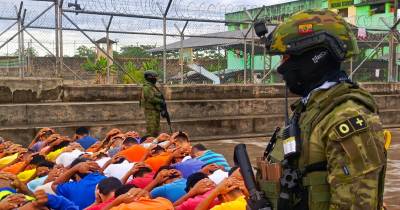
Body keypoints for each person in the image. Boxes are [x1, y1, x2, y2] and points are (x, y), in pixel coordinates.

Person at [259, 9, 387, 210]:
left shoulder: (346, 117)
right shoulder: (311, 109)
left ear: (314, 57)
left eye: (286, 57)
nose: (281, 67)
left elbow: (356, 204)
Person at [141, 70, 164, 137]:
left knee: (156, 129)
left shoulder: (152, 86)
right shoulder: (147, 87)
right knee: (151, 129)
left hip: (155, 110)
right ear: (149, 78)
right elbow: (151, 98)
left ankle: (154, 143)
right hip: (150, 111)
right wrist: (160, 101)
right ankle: (150, 144)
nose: (156, 79)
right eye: (154, 77)